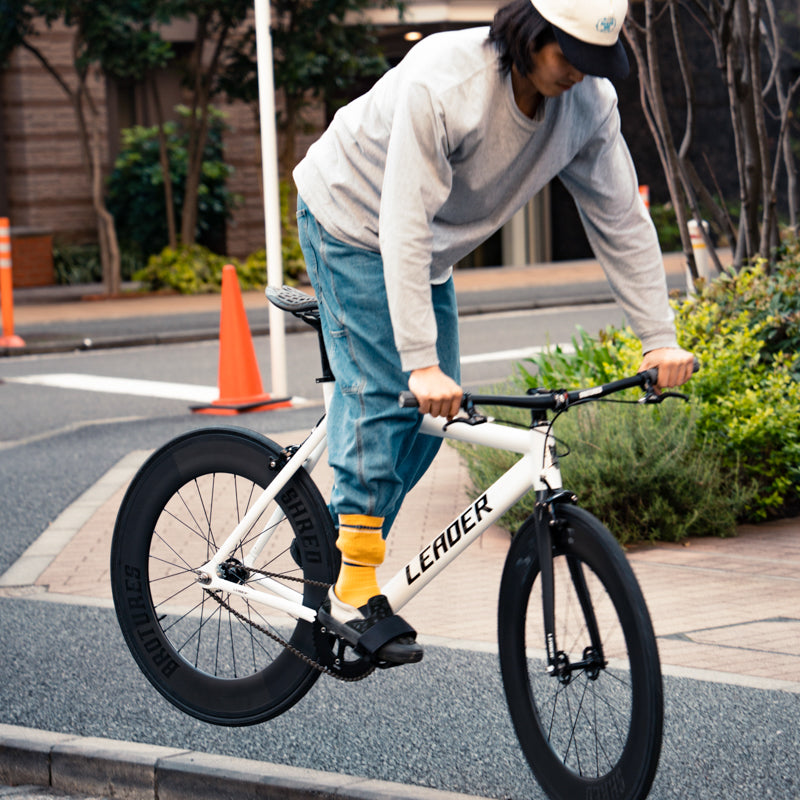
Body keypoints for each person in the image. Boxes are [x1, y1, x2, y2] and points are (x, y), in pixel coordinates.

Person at [293, 0, 696, 665]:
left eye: (594, 61)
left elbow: (621, 217)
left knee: (430, 419)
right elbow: (402, 219)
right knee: (391, 393)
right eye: (570, 55)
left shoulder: (588, 104)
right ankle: (351, 582)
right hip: (354, 218)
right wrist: (418, 361)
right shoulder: (446, 80)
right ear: (532, 33)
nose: (579, 73)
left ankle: (333, 540)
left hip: (427, 247)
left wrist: (659, 336)